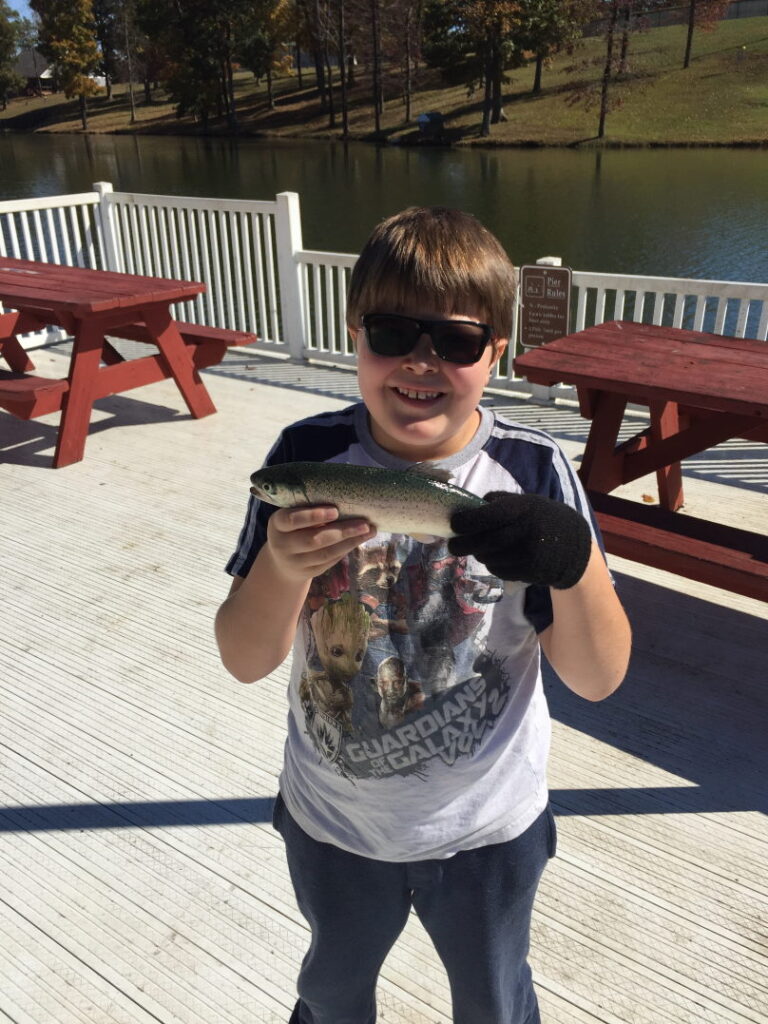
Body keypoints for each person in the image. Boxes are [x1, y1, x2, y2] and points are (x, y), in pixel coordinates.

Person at [215, 206, 632, 1024]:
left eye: (456, 341)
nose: (420, 360)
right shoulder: (305, 456)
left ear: (496, 354)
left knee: (494, 1000)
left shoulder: (532, 469)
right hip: (330, 823)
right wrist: (280, 564)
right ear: (352, 334)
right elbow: (242, 656)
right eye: (392, 332)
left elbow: (598, 677)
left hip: (490, 831)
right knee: (330, 995)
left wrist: (572, 561)